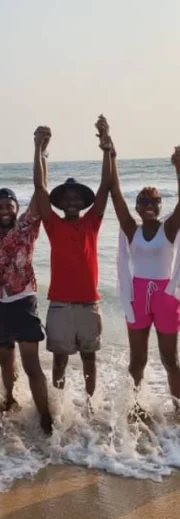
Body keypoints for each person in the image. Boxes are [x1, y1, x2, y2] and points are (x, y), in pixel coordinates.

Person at [0, 137, 53, 435]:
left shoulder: (28, 225)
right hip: (0, 305)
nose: (3, 209)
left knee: (31, 364)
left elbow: (40, 191)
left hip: (24, 302)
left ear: (16, 208)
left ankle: (45, 415)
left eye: (8, 205)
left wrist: (38, 150)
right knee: (5, 358)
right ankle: (9, 400)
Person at [33, 116, 112, 405]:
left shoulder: (92, 222)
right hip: (60, 305)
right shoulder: (54, 225)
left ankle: (91, 407)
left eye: (76, 198)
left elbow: (105, 185)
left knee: (90, 360)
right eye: (67, 198)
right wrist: (38, 150)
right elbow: (40, 190)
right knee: (60, 362)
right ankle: (59, 407)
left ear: (83, 202)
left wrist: (106, 144)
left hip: (89, 303)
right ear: (61, 203)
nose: (72, 202)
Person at [113, 143, 180, 416]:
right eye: (143, 201)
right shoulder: (132, 229)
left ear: (161, 205)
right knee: (137, 361)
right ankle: (134, 407)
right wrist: (111, 155)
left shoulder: (170, 228)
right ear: (137, 207)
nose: (149, 205)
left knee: (169, 359)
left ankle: (178, 408)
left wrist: (178, 169)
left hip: (165, 297)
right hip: (138, 296)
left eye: (154, 201)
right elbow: (115, 195)